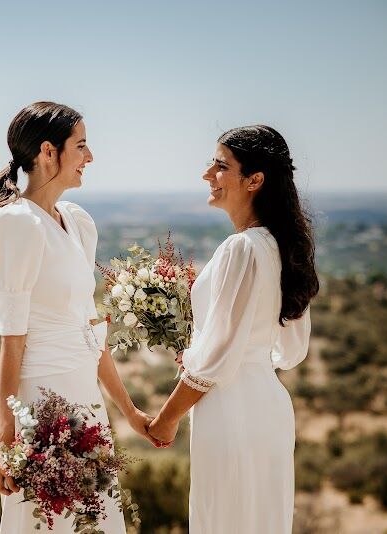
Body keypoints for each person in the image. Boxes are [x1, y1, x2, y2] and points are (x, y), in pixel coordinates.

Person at [0, 101, 151, 533]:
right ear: (49, 152)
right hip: (44, 404)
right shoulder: (15, 225)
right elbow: (13, 342)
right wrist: (5, 443)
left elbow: (91, 332)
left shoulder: (78, 223)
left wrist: (130, 412)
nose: (90, 157)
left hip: (87, 400)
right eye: (81, 146)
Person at [146, 125, 319, 533]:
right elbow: (290, 351)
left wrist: (165, 419)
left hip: (232, 411)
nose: (208, 173)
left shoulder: (241, 248)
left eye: (221, 165)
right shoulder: (282, 246)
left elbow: (216, 360)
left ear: (255, 180)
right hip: (269, 407)